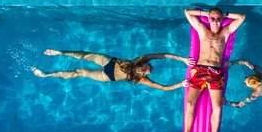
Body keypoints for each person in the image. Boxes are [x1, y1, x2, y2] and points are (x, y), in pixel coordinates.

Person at [175, 8, 246, 132]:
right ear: (209, 18)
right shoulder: (202, 30)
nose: (215, 21)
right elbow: (187, 12)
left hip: (215, 71)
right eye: (212, 19)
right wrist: (205, 14)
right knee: (189, 103)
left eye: (218, 19)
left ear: (221, 19)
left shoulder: (225, 32)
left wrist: (224, 14)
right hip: (200, 70)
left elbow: (242, 17)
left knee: (218, 107)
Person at [32, 49, 192, 92]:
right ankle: (61, 53)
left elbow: (163, 88)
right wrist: (183, 60)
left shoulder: (142, 79)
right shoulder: (143, 59)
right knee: (86, 57)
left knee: (80, 71)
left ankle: (48, 74)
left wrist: (180, 84)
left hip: (106, 75)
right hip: (110, 62)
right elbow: (163, 55)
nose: (152, 69)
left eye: (151, 70)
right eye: (151, 68)